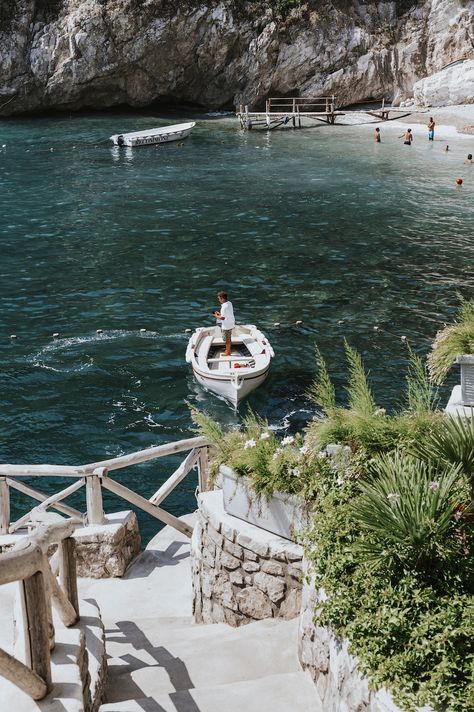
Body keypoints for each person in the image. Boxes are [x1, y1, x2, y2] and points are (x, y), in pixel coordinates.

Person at [213, 291, 235, 357]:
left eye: (219, 298)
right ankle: (228, 350)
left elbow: (222, 318)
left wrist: (215, 315)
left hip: (226, 326)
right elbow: (227, 314)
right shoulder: (229, 303)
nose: (219, 300)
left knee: (226, 340)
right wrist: (219, 314)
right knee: (228, 338)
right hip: (231, 323)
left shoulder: (224, 307)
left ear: (222, 298)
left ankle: (228, 353)